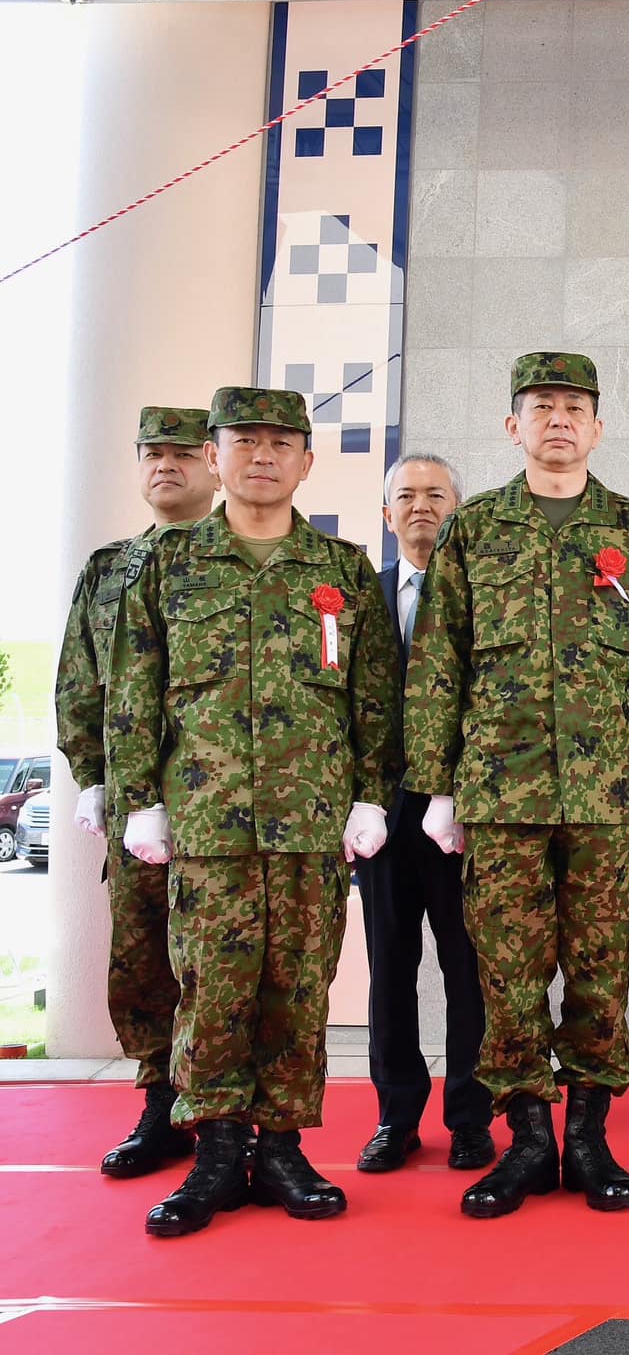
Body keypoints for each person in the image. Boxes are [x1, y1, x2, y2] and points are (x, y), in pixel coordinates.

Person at [405, 352, 629, 1217]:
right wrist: (437, 786)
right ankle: (528, 1140)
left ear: (598, 427)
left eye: (575, 407)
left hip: (607, 795)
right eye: (541, 407)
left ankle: (589, 1137)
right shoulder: (476, 528)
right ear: (513, 427)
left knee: (601, 970)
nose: (559, 420)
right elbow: (439, 662)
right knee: (508, 971)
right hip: (501, 796)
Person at [111, 387, 401, 1237]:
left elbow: (373, 696)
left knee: (298, 985)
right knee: (209, 988)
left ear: (308, 462)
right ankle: (213, 1150)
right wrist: (138, 803)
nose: (263, 456)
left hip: (311, 823)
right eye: (245, 441)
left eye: (282, 443)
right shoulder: (164, 567)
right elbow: (132, 693)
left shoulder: (342, 570)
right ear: (214, 457)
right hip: (205, 822)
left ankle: (280, 1146)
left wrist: (373, 795)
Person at [54, 405, 220, 1179]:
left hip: (224, 799)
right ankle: (160, 1106)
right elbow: (80, 683)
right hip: (137, 804)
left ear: (215, 465)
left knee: (224, 964)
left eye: (184, 453)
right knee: (143, 958)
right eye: (152, 452)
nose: (166, 466)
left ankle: (231, 1118)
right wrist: (92, 777)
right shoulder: (109, 567)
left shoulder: (238, 557)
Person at [355, 454, 495, 1176]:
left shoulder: (482, 596)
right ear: (387, 514)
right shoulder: (358, 597)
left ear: (458, 510)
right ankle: (395, 1116)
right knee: (390, 967)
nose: (420, 507)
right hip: (382, 813)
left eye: (436, 494)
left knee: (468, 967)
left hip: (461, 814)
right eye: (405, 496)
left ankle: (471, 1118)